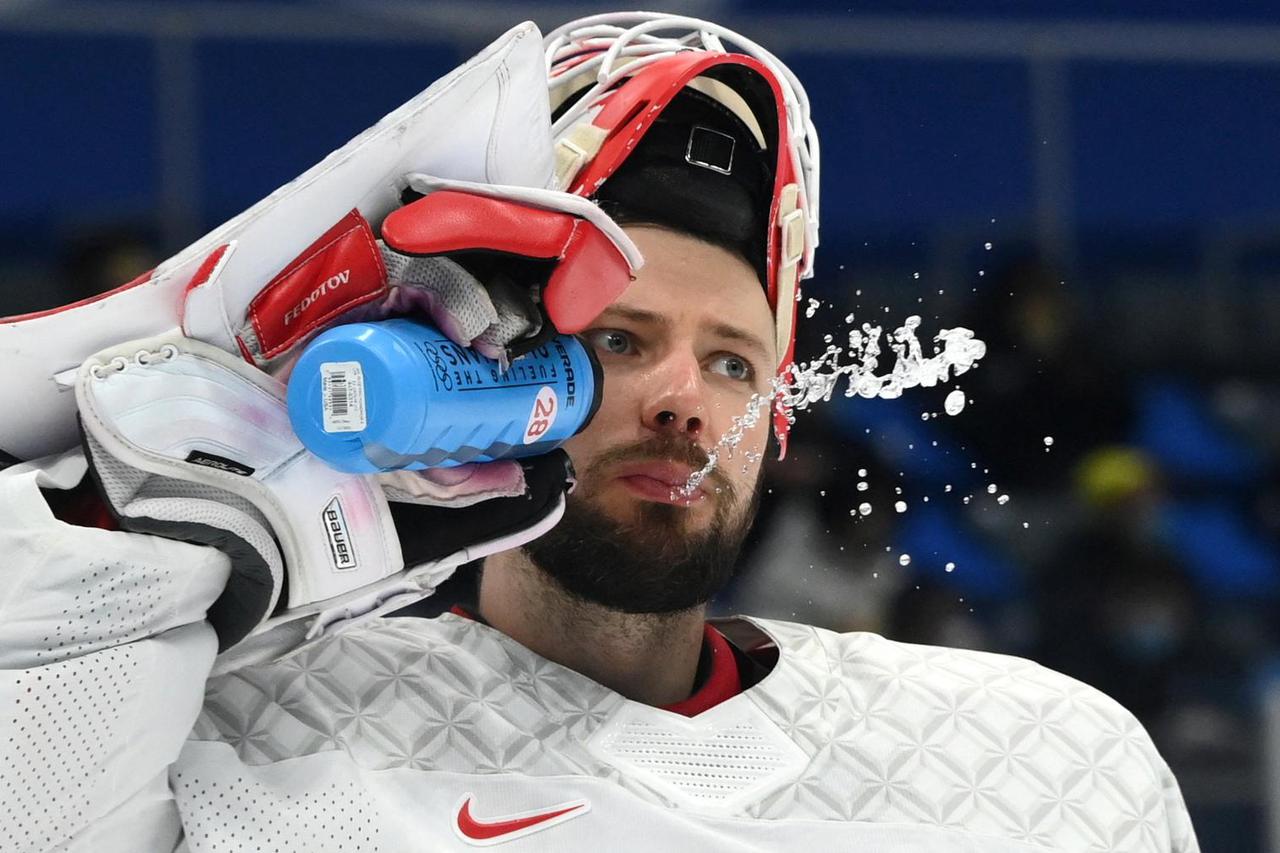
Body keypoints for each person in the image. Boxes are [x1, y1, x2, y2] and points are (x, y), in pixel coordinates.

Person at [0, 13, 1197, 852]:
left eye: (732, 361)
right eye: (620, 342)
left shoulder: (1046, 755)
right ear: (498, 376)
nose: (682, 396)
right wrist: (133, 537)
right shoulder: (255, 719)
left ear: (771, 425)